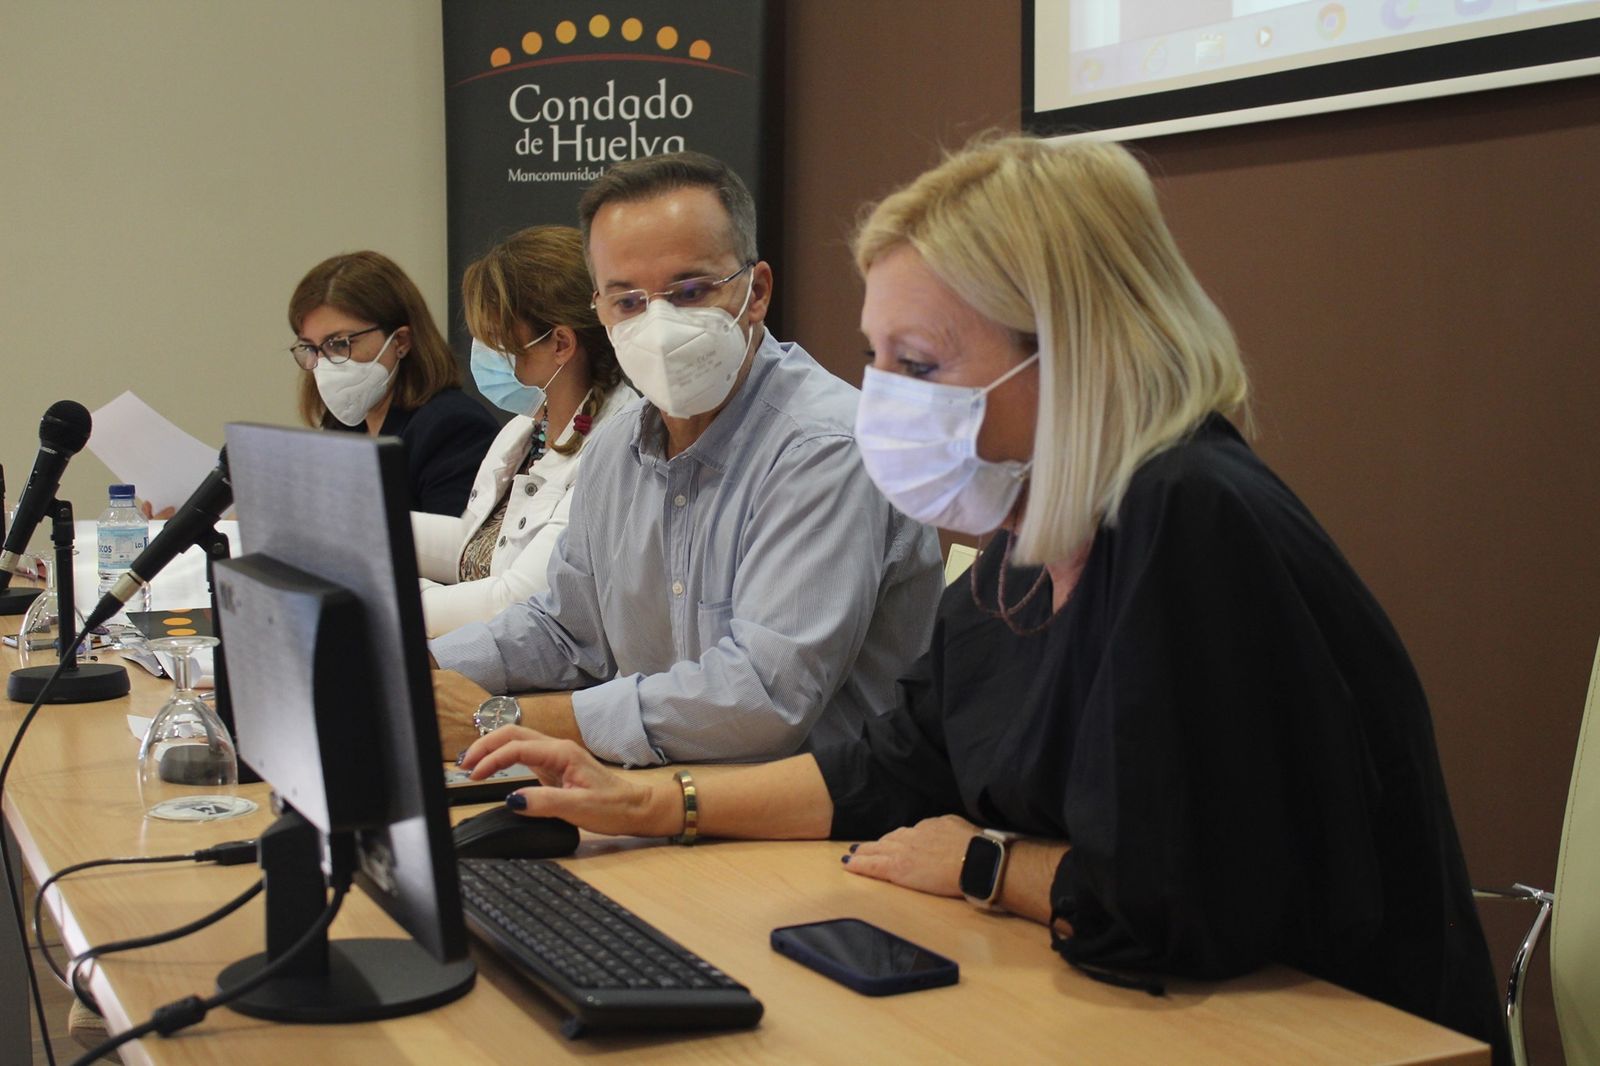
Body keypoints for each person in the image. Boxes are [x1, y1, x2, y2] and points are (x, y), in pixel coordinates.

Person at [457, 137, 1509, 1060]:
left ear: (1078, 346)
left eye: (918, 362)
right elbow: (891, 765)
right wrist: (636, 799)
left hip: (1315, 1029)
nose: (883, 401)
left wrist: (983, 862)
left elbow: (1182, 900)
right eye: (877, 359)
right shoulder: (1030, 524)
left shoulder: (1187, 514)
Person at [429, 151, 944, 765]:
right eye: (627, 301)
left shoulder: (825, 448)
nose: (660, 324)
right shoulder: (617, 442)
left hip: (813, 824)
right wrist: (419, 673)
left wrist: (501, 719)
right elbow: (567, 628)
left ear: (757, 292)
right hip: (656, 795)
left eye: (692, 291)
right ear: (598, 309)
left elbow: (762, 697)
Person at [411, 226, 638, 637]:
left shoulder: (617, 445)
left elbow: (515, 601)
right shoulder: (526, 429)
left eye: (497, 340)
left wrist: (390, 599)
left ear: (561, 344)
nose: (483, 355)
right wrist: (369, 533)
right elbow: (474, 548)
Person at [289, 250, 498, 515]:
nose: (324, 363)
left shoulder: (453, 428)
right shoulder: (343, 426)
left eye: (338, 344)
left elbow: (452, 549)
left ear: (400, 341)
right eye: (310, 347)